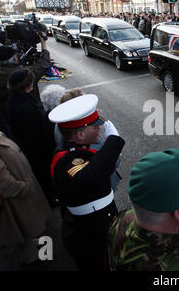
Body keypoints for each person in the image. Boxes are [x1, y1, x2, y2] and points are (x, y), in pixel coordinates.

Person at [49, 94, 125, 271]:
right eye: (95, 126)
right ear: (80, 134)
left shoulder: (79, 149)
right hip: (90, 235)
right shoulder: (64, 160)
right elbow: (93, 177)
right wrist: (113, 141)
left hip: (98, 222)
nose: (99, 129)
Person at [0, 103, 52, 264]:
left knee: (32, 231)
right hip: (16, 201)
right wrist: (23, 188)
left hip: (20, 196)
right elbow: (0, 181)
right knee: (29, 232)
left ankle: (40, 255)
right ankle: (40, 259)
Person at [7, 69, 57, 205]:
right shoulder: (23, 108)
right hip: (36, 148)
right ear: (28, 84)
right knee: (43, 174)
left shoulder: (18, 97)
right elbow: (36, 129)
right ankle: (49, 199)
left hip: (33, 145)